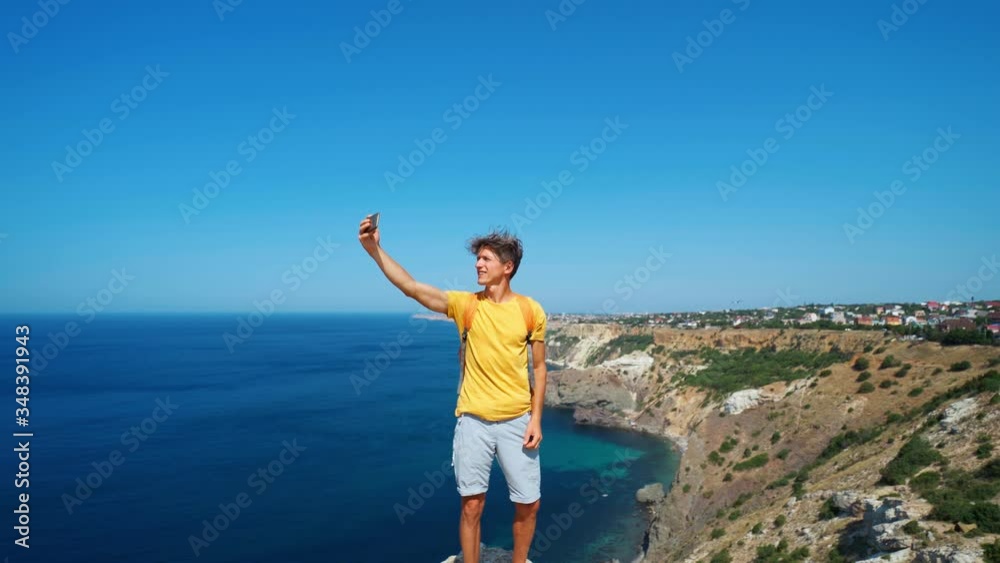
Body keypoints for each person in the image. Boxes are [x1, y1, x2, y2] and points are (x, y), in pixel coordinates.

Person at [358, 215, 546, 563]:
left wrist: (536, 420)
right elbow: (412, 287)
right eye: (477, 258)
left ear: (507, 267)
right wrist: (374, 250)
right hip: (473, 421)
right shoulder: (466, 305)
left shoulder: (530, 310)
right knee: (471, 505)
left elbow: (539, 367)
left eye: (485, 259)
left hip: (517, 422)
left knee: (528, 503)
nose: (478, 263)